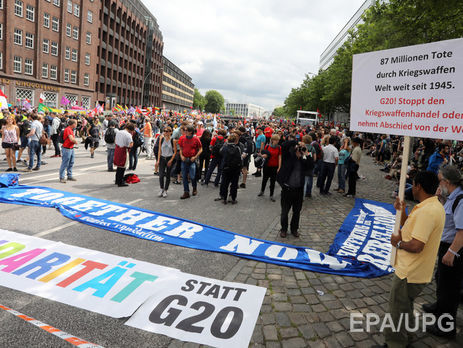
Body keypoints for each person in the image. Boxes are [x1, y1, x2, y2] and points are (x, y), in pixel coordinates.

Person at [375, 171, 445, 348]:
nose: (411, 187)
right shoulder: (430, 206)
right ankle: (407, 337)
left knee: (397, 311)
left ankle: (395, 343)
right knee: (405, 307)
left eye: (413, 184)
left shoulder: (428, 211)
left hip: (410, 272)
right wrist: (402, 211)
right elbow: (411, 228)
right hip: (415, 270)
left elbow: (416, 245)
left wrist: (397, 244)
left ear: (418, 186)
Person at [422, 166, 463, 338]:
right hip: (446, 245)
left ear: (447, 182)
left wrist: (451, 252)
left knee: (449, 289)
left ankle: (446, 327)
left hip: (454, 248)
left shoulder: (460, 200)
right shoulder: (451, 196)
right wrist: (439, 198)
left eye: (440, 180)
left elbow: (462, 231)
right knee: (441, 279)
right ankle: (439, 307)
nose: (439, 184)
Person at [276, 136, 313, 238]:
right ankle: (283, 229)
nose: (299, 151)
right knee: (284, 212)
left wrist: (306, 153)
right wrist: (296, 142)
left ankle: (294, 229)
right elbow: (283, 145)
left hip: (299, 190)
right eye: (298, 149)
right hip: (287, 189)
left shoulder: (303, 159)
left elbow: (311, 166)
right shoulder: (288, 156)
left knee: (296, 212)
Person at [215, 133, 243, 204]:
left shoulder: (224, 147)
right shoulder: (237, 148)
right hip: (235, 169)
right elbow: (240, 158)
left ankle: (224, 198)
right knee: (234, 184)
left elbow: (220, 153)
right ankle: (233, 198)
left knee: (224, 183)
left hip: (226, 168)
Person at [178, 125, 202, 199]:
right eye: (184, 130)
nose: (184, 131)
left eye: (186, 130)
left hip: (192, 160)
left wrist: (195, 157)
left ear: (190, 132)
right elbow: (181, 148)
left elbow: (201, 149)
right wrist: (181, 156)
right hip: (184, 159)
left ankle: (194, 188)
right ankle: (186, 192)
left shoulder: (196, 139)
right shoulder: (182, 138)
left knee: (192, 176)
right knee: (184, 176)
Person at [258, 134, 281, 202]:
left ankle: (271, 195)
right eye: (276, 140)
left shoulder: (279, 148)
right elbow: (264, 154)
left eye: (278, 140)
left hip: (274, 166)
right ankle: (262, 191)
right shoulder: (267, 146)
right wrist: (263, 156)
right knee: (265, 179)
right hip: (267, 165)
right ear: (272, 140)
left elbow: (280, 158)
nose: (277, 141)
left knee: (273, 181)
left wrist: (279, 167)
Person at [157, 126, 176, 198]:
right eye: (164, 131)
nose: (165, 132)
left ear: (170, 132)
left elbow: (174, 152)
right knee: (161, 174)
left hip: (169, 158)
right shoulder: (161, 139)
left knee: (168, 175)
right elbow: (159, 150)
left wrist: (171, 160)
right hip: (162, 158)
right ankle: (161, 188)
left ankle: (165, 190)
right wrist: (158, 160)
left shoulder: (172, 140)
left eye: (167, 131)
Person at [113, 123, 134, 187]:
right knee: (123, 166)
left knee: (119, 166)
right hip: (124, 150)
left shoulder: (119, 132)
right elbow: (131, 144)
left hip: (117, 148)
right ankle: (120, 182)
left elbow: (115, 140)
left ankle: (117, 180)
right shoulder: (128, 135)